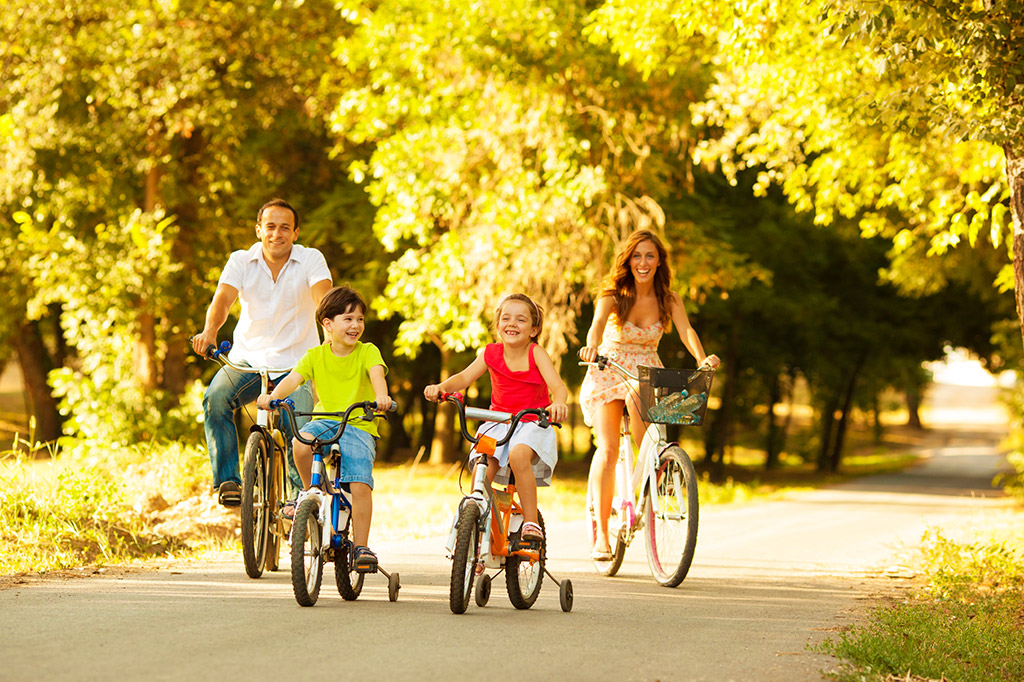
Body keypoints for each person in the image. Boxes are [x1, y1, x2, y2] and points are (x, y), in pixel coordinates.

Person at [578, 229, 720, 560]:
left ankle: (655, 470)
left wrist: (703, 359)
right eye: (637, 256)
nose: (643, 262)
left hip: (646, 373)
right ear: (628, 260)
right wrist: (592, 347)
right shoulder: (613, 295)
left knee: (646, 425)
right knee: (609, 449)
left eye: (650, 256)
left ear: (659, 262)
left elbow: (686, 330)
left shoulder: (668, 300)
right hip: (608, 369)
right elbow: (597, 325)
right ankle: (601, 534)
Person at [191, 198, 332, 507]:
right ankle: (228, 480)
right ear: (258, 230)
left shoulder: (311, 260)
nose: (276, 234)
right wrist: (210, 332)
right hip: (248, 359)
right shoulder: (241, 261)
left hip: (297, 366)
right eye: (270, 227)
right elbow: (223, 300)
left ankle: (300, 500)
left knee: (297, 427)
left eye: (284, 228)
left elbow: (326, 303)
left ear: (295, 233)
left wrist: (329, 346)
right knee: (215, 399)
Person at [257, 286, 392, 572]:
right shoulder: (315, 355)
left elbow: (377, 375)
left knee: (359, 484)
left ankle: (361, 547)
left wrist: (382, 397)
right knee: (300, 441)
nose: (355, 325)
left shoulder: (367, 351)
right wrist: (273, 397)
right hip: (325, 419)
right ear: (327, 325)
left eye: (359, 319)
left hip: (358, 424)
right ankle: (309, 493)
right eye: (348, 319)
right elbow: (294, 379)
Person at [424, 293, 569, 544]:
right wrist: (441, 387)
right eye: (506, 318)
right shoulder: (491, 353)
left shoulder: (536, 354)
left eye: (521, 320)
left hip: (531, 423)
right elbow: (463, 377)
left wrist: (558, 403)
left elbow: (558, 387)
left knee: (518, 455)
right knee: (483, 461)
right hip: (498, 422)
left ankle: (531, 521)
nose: (512, 323)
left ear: (534, 329)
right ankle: (474, 532)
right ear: (498, 325)